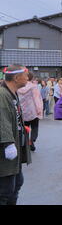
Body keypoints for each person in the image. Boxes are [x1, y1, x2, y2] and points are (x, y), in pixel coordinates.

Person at [0, 64, 31, 205]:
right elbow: (2, 119)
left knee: (17, 183)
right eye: (26, 75)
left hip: (15, 146)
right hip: (6, 149)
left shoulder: (12, 93)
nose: (28, 77)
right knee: (5, 190)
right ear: (17, 77)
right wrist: (8, 143)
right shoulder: (2, 94)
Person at [18, 72, 43, 152]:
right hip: (33, 110)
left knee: (25, 128)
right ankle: (32, 141)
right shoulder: (33, 87)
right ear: (32, 78)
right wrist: (39, 110)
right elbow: (37, 99)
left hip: (23, 111)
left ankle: (26, 143)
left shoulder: (18, 87)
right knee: (35, 127)